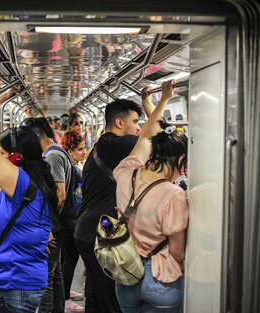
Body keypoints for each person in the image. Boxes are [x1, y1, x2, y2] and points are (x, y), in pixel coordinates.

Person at [0, 76, 60, 313]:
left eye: (2, 153)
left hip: (15, 283)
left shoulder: (21, 182)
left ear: (16, 158)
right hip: (13, 281)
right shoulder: (27, 182)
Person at [114, 81, 188, 313]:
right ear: (178, 159)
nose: (184, 171)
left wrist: (162, 99)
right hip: (159, 279)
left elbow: (145, 137)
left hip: (125, 274)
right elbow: (177, 252)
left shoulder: (126, 172)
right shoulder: (174, 194)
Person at [74, 98, 142, 313]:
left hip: (88, 228)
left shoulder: (102, 144)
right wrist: (162, 101)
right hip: (97, 230)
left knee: (96, 292)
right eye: (136, 121)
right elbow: (152, 137)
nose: (138, 127)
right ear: (120, 122)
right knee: (111, 299)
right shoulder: (112, 144)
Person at [23, 117, 70, 313]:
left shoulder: (52, 157)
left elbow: (60, 195)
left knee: (46, 280)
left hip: (54, 226)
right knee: (56, 274)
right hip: (58, 224)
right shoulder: (55, 153)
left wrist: (47, 228)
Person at [60, 130, 86, 312]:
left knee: (67, 259)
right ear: (70, 151)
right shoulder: (72, 168)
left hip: (69, 217)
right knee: (70, 259)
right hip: (69, 219)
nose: (84, 153)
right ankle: (65, 299)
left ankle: (66, 290)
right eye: (80, 149)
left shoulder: (70, 166)